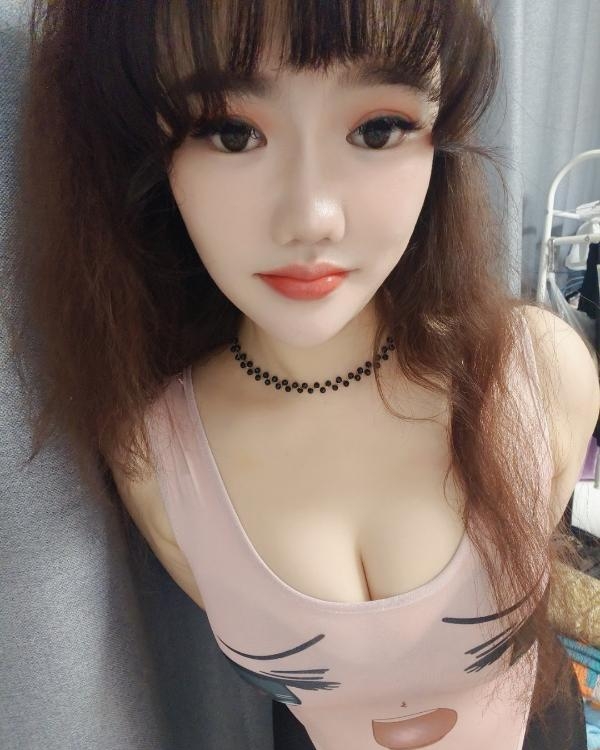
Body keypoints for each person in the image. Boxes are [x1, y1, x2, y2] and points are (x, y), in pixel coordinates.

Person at [7, 1, 598, 748]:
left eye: (378, 130)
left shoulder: (539, 373)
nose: (312, 216)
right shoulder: (156, 453)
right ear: (153, 148)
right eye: (232, 132)